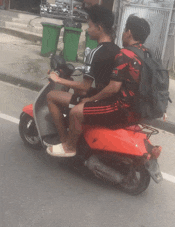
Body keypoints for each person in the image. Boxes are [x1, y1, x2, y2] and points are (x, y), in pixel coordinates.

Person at [47, 14, 151, 157]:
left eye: (125, 30)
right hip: (138, 107)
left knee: (76, 112)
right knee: (84, 98)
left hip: (121, 106)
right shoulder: (146, 55)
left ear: (129, 33)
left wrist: (91, 100)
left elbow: (113, 87)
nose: (123, 34)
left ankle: (69, 146)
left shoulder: (126, 54)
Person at [46, 4, 120, 156]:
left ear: (99, 28)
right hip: (110, 98)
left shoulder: (95, 52)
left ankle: (66, 143)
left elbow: (85, 86)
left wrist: (58, 80)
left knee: (52, 96)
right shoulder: (117, 50)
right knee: (76, 90)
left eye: (90, 25)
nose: (87, 29)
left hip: (98, 99)